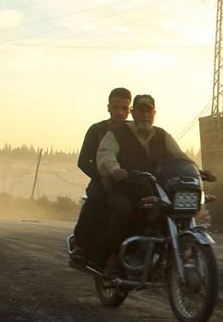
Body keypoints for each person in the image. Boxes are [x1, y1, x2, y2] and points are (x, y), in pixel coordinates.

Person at [95, 94, 193, 273]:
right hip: (125, 188)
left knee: (176, 211)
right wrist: (115, 169)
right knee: (123, 210)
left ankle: (170, 250)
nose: (145, 115)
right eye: (141, 111)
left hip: (156, 189)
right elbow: (106, 154)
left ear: (154, 113)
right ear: (133, 112)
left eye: (149, 111)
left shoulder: (162, 135)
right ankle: (111, 256)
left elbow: (179, 156)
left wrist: (197, 170)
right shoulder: (118, 132)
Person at [71, 87, 131, 264]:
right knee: (94, 200)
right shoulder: (97, 130)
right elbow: (83, 161)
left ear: (130, 110)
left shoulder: (132, 132)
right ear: (108, 107)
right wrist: (101, 176)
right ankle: (80, 246)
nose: (120, 113)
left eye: (124, 108)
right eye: (116, 107)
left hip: (128, 184)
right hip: (101, 182)